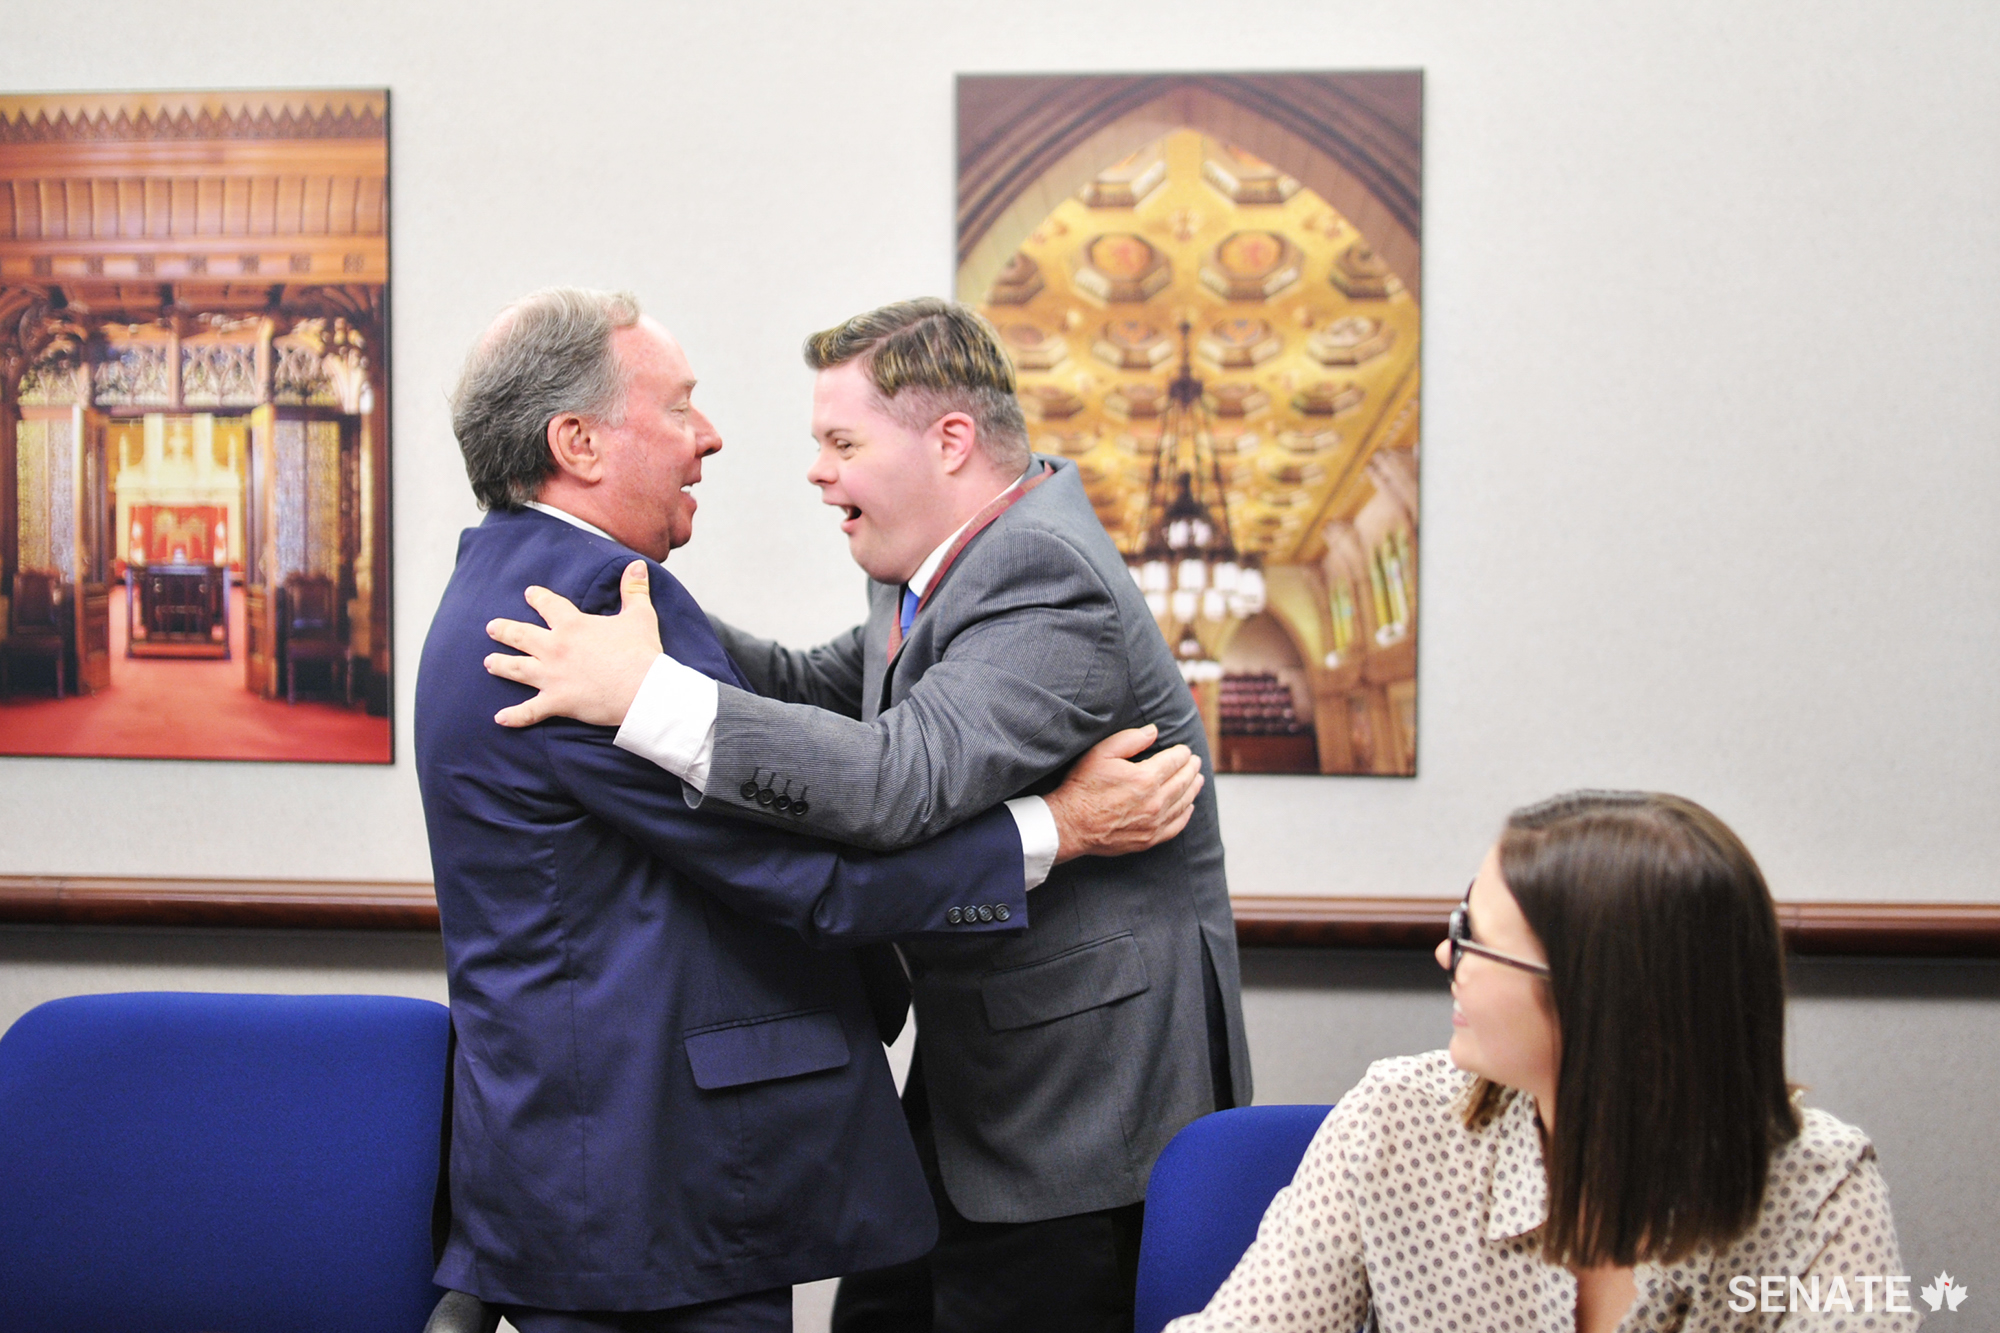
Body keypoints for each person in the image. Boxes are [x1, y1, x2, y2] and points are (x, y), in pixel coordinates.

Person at [416, 287, 1203, 1333]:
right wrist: (1057, 823)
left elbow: (885, 771)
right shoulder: (597, 603)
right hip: (654, 1168)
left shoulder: (1026, 569)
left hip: (1057, 1113)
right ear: (579, 443)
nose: (722, 439)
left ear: (951, 441)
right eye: (681, 407)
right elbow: (809, 839)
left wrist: (657, 681)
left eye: (839, 438)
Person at [1164, 791, 1917, 1333]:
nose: (1442, 953)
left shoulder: (1819, 1188)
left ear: (1600, 996)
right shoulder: (1396, 1119)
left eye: (1472, 934)